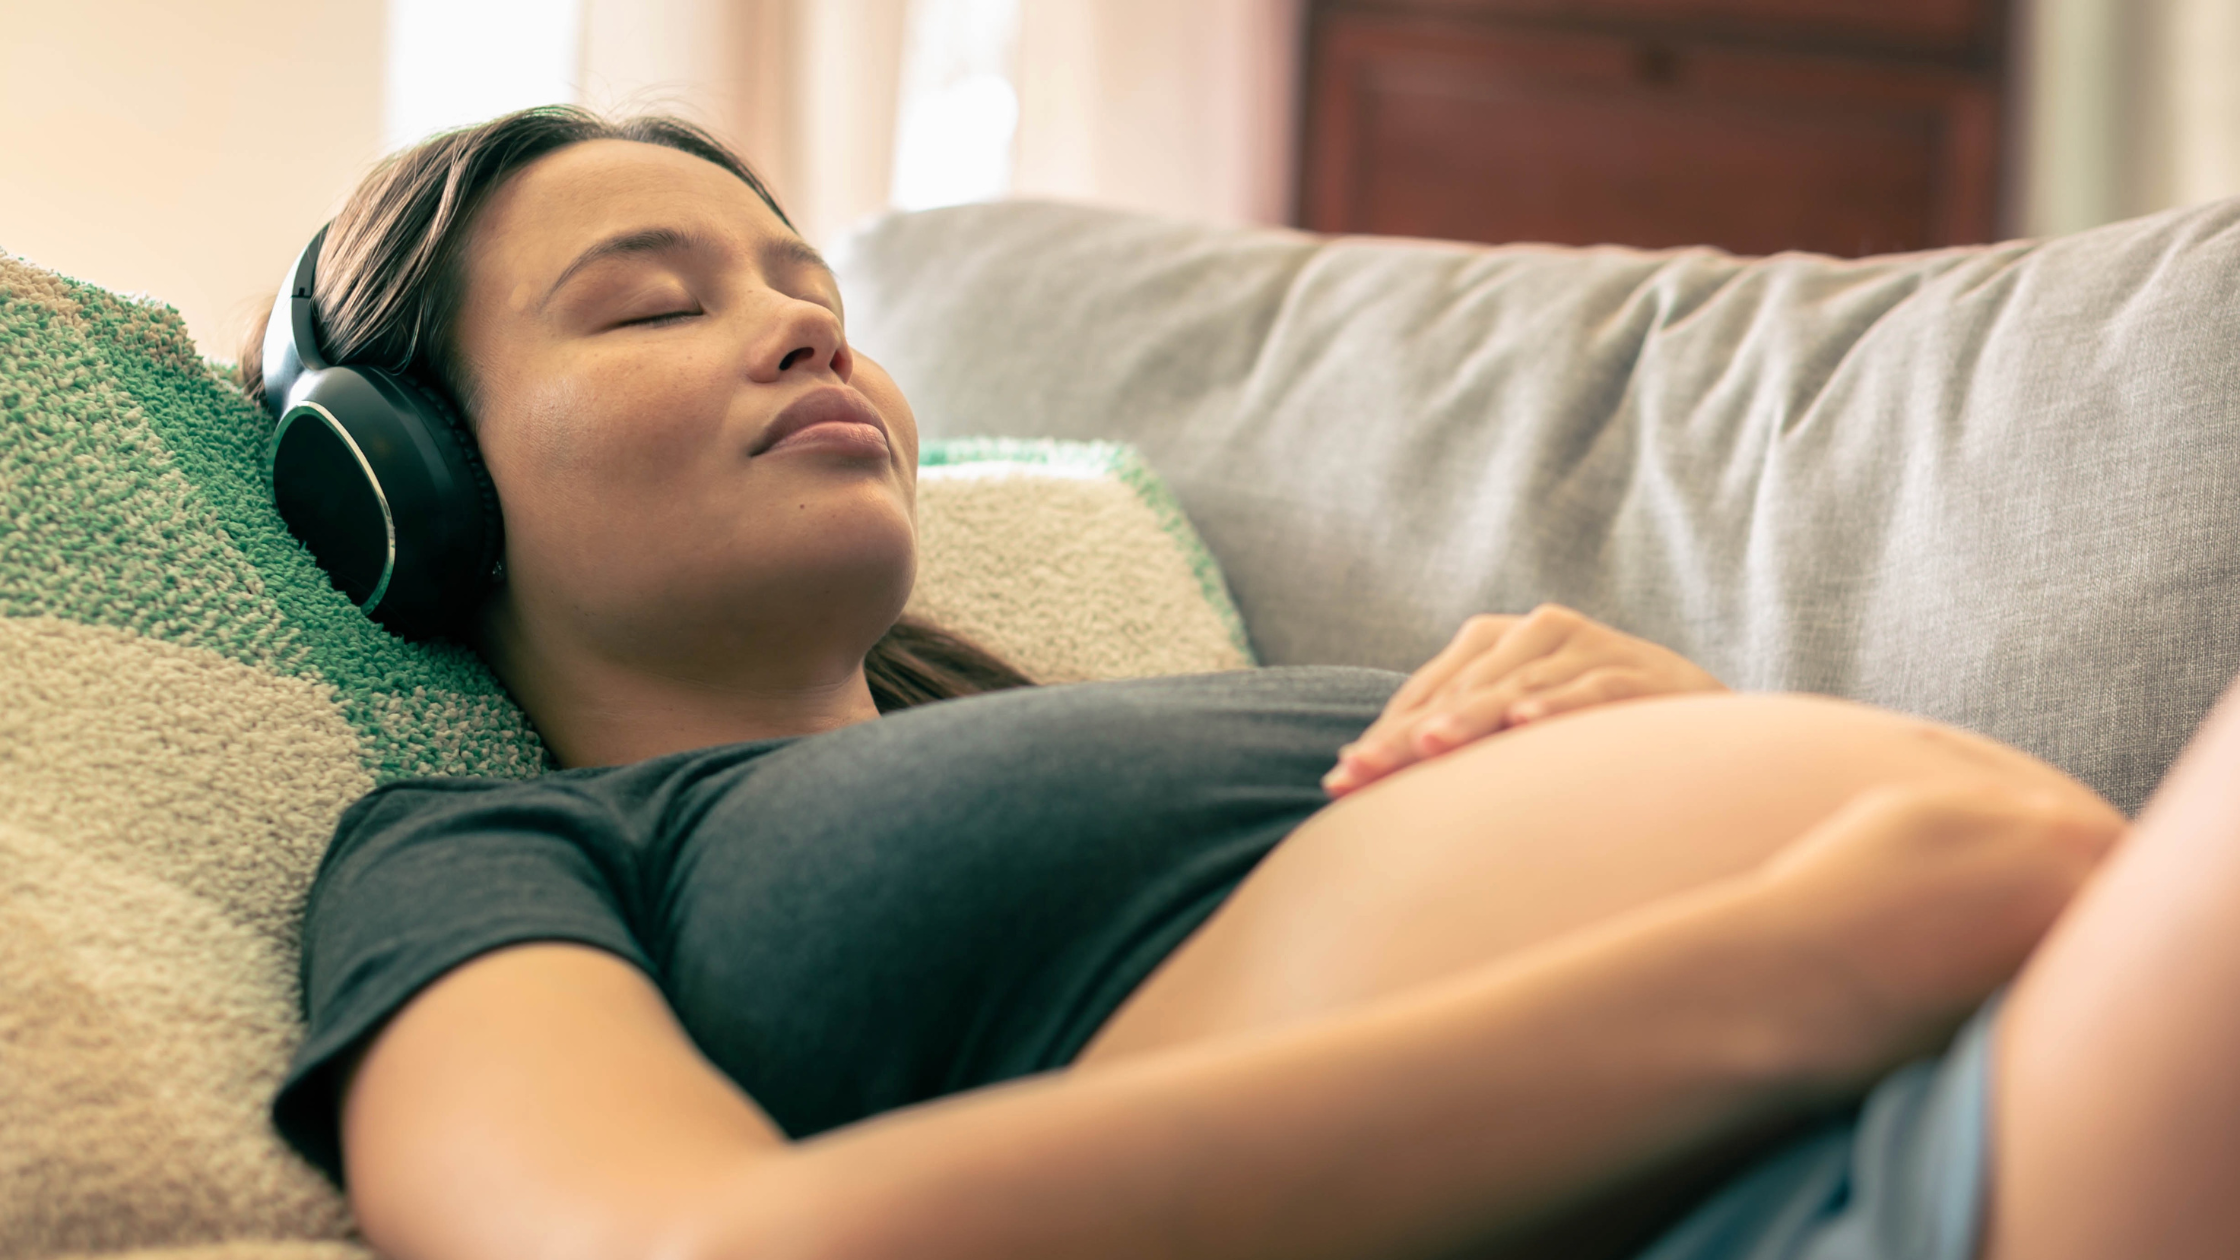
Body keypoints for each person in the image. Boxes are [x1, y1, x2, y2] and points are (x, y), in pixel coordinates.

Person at [243, 106, 2234, 1260]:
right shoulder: (479, 854)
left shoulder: (1110, 713)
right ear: (400, 477)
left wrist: (1685, 733)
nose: (800, 337)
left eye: (809, 296)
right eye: (652, 308)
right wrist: (1801, 968)